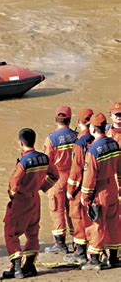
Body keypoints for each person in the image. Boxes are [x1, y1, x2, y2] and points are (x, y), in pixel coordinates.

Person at [3, 128, 59, 278]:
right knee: (33, 232)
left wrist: (12, 195)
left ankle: (16, 268)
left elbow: (14, 184)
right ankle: (29, 265)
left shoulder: (24, 161)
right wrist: (42, 187)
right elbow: (55, 175)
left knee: (11, 232)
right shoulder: (44, 158)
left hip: (22, 200)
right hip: (35, 198)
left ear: (21, 143)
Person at [80, 112, 120, 270]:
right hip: (113, 188)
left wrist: (85, 196)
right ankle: (114, 258)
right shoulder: (114, 144)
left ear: (92, 128)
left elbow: (89, 177)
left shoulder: (93, 150)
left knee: (96, 223)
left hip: (100, 190)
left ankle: (95, 260)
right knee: (114, 223)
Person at [44, 105, 78, 253]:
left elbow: (47, 161)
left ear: (55, 119)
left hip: (57, 178)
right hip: (74, 176)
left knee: (56, 209)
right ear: (70, 119)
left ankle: (60, 244)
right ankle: (78, 240)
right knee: (74, 210)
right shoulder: (77, 136)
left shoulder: (51, 138)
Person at [64, 108, 94, 264]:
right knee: (92, 217)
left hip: (81, 186)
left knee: (77, 217)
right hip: (96, 184)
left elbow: (76, 170)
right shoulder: (98, 139)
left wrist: (70, 190)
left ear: (79, 122)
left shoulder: (80, 142)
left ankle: (81, 252)